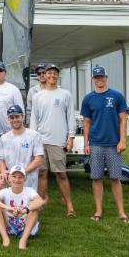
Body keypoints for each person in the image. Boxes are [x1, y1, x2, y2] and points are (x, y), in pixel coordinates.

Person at [81, 66, 129, 223]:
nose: (99, 79)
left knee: (115, 178)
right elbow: (86, 122)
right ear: (93, 79)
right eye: (96, 77)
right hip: (95, 144)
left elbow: (123, 119)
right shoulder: (88, 98)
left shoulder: (116, 96)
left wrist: (122, 140)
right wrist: (86, 143)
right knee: (96, 178)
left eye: (102, 77)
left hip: (113, 144)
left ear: (106, 78)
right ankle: (98, 211)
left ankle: (121, 212)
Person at [29, 63, 77, 217]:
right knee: (42, 173)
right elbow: (33, 120)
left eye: (54, 73)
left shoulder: (65, 94)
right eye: (48, 73)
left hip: (58, 141)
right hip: (40, 140)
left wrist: (70, 138)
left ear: (57, 76)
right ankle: (39, 204)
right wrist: (32, 140)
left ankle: (69, 206)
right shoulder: (37, 96)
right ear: (45, 75)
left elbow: (70, 117)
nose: (51, 76)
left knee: (61, 174)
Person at [0, 165, 46, 249]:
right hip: (8, 224)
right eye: (14, 176)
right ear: (9, 178)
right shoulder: (5, 191)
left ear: (24, 179)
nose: (17, 180)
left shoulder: (29, 191)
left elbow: (40, 201)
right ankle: (5, 238)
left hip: (25, 225)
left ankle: (23, 240)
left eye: (20, 177)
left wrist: (25, 210)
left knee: (35, 208)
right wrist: (8, 207)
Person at [0, 105, 45, 191]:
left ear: (23, 116)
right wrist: (3, 172)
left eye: (17, 116)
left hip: (27, 177)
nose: (14, 120)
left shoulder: (34, 135)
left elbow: (39, 160)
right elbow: (1, 160)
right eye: (11, 117)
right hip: (11, 178)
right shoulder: (4, 138)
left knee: (27, 202)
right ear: (8, 119)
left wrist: (21, 173)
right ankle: (2, 203)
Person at [0, 60, 24, 153]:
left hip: (7, 133)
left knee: (7, 162)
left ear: (5, 73)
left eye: (1, 70)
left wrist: (18, 131)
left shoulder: (13, 89)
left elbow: (21, 112)